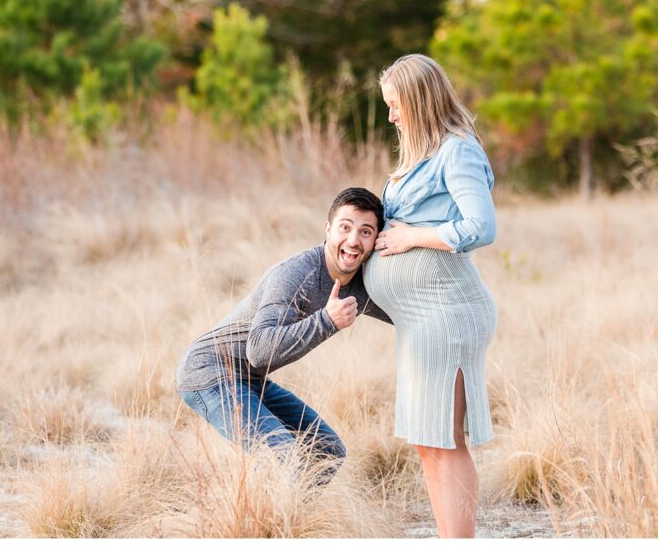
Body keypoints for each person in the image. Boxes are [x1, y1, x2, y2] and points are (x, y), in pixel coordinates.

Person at [363, 54, 497, 538]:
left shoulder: (457, 151)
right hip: (418, 320)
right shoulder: (416, 158)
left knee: (446, 439)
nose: (392, 116)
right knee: (426, 440)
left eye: (396, 106)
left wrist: (412, 238)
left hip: (448, 313)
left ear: (418, 102)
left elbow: (481, 227)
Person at [175, 187, 391, 479]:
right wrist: (327, 320)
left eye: (366, 232)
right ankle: (264, 524)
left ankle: (293, 518)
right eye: (345, 227)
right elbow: (260, 351)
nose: (353, 240)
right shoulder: (296, 275)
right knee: (282, 455)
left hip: (249, 379)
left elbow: (404, 314)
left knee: (325, 451)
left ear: (376, 239)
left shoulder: (362, 284)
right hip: (209, 373)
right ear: (327, 229)